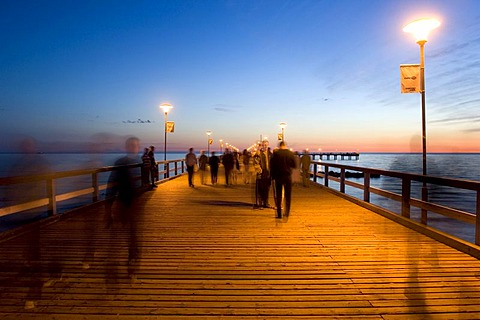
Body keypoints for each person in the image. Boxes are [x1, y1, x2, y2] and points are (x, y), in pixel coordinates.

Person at [105, 137, 142, 283]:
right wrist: (108, 206)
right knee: (117, 237)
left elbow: (147, 182)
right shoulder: (120, 163)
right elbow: (112, 183)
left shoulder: (141, 162)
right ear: (126, 147)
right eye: (131, 145)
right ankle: (113, 267)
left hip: (135, 204)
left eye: (135, 145)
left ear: (138, 147)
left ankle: (132, 267)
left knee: (133, 236)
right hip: (121, 202)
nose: (133, 147)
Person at [270, 141, 297, 218]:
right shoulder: (290, 153)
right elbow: (294, 165)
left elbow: (272, 166)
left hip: (278, 176)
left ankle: (279, 214)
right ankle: (287, 213)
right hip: (287, 176)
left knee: (278, 195)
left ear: (279, 146)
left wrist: (272, 176)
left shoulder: (275, 154)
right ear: (285, 145)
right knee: (288, 195)